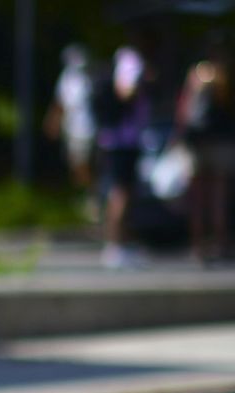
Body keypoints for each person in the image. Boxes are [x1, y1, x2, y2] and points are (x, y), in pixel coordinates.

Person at [178, 33, 235, 263]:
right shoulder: (226, 73)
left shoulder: (196, 73)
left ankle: (198, 245)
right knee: (219, 195)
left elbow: (183, 108)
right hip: (222, 139)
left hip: (197, 141)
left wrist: (178, 136)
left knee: (198, 197)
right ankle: (220, 243)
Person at [94, 43, 153, 270]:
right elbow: (125, 91)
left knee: (124, 194)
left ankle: (121, 244)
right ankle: (114, 245)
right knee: (121, 195)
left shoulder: (122, 60)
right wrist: (142, 85)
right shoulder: (131, 61)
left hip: (120, 141)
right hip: (123, 142)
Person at [47, 44, 97, 195]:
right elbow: (61, 102)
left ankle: (90, 194)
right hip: (73, 128)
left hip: (85, 129)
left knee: (82, 164)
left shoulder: (87, 78)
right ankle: (84, 193)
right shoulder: (68, 77)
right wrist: (54, 121)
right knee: (75, 163)